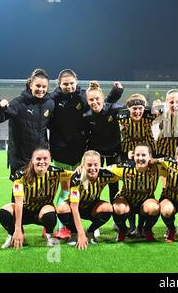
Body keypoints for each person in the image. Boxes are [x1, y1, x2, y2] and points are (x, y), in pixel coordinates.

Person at [49, 69, 123, 239]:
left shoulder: (83, 95)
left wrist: (117, 91)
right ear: (59, 84)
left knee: (91, 185)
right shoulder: (53, 98)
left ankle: (98, 221)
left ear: (76, 82)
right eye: (65, 84)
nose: (68, 86)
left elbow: (102, 102)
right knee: (66, 189)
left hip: (81, 149)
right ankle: (64, 227)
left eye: (71, 83)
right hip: (61, 149)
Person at [0, 69, 54, 181]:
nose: (41, 90)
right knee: (18, 194)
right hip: (20, 159)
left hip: (40, 159)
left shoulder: (50, 103)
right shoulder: (18, 103)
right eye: (38, 86)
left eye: (44, 87)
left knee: (38, 193)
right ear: (30, 85)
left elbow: (52, 126)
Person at [0, 148, 72, 249]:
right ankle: (12, 235)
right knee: (4, 212)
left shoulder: (57, 172)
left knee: (50, 213)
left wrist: (82, 168)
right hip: (25, 210)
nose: (42, 162)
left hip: (42, 213)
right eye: (38, 159)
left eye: (45, 158)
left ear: (50, 159)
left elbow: (77, 175)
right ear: (32, 160)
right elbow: (18, 202)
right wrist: (18, 228)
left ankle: (49, 235)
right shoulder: (20, 174)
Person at [56, 150, 118, 249]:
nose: (92, 168)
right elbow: (74, 207)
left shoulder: (105, 174)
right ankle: (74, 233)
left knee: (108, 208)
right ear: (83, 165)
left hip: (92, 208)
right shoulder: (77, 178)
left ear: (100, 164)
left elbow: (123, 173)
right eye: (89, 165)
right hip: (75, 209)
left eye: (95, 164)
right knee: (61, 209)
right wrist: (80, 233)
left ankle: (90, 232)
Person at [83, 81, 127, 203]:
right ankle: (94, 207)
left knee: (113, 184)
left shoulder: (113, 109)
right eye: (91, 100)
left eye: (97, 99)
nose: (94, 102)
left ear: (103, 99)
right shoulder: (87, 116)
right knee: (95, 181)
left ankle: (116, 218)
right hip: (97, 154)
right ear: (87, 101)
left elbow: (131, 109)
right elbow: (85, 137)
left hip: (114, 151)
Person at [109, 143, 161, 242]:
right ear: (133, 156)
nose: (140, 158)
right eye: (137, 155)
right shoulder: (125, 167)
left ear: (150, 156)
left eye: (143, 155)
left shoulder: (157, 167)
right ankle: (123, 230)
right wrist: (83, 168)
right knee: (118, 207)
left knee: (154, 207)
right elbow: (104, 169)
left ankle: (146, 230)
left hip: (145, 202)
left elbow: (173, 163)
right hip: (126, 201)